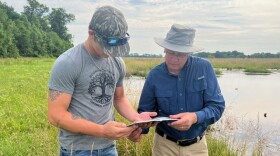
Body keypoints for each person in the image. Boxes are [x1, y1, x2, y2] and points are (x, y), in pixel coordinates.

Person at [47, 5, 156, 156]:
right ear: (91, 33)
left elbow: (119, 97)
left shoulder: (117, 62)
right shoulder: (68, 63)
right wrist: (103, 131)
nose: (111, 54)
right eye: (108, 46)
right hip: (77, 150)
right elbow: (56, 115)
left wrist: (135, 118)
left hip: (109, 148)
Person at [136, 24, 225, 156]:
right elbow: (145, 112)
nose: (174, 59)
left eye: (180, 54)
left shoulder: (204, 68)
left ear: (189, 53)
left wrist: (194, 117)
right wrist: (138, 129)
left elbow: (217, 107)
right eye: (170, 52)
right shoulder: (154, 75)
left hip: (197, 148)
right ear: (164, 49)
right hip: (163, 147)